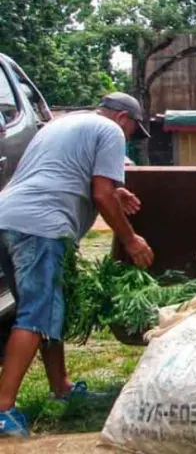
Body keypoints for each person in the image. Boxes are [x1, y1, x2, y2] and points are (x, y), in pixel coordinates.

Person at [0, 93, 155, 437]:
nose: (128, 138)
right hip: (41, 226)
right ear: (122, 118)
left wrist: (117, 191)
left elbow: (66, 171)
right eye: (132, 130)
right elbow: (100, 193)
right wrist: (131, 240)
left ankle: (61, 387)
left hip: (8, 216)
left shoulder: (61, 124)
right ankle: (3, 410)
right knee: (36, 315)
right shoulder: (110, 131)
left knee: (42, 308)